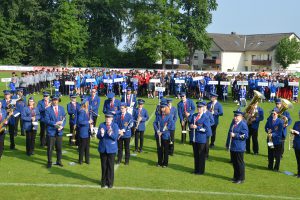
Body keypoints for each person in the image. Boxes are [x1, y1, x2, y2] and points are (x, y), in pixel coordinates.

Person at [97, 112, 119, 188]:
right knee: (103, 166)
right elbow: (98, 136)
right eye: (106, 118)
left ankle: (110, 183)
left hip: (111, 149)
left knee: (110, 167)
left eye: (109, 118)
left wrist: (110, 134)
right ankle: (103, 182)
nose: (108, 119)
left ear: (112, 118)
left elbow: (115, 137)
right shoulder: (101, 125)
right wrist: (102, 134)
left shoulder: (115, 126)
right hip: (103, 149)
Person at [227, 110, 248, 184]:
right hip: (233, 146)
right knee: (234, 163)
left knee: (239, 163)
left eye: (237, 116)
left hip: (239, 147)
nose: (235, 117)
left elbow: (245, 135)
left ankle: (241, 178)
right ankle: (235, 177)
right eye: (235, 116)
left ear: (241, 117)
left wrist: (236, 135)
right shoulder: (234, 123)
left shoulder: (243, 124)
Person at [189, 102, 211, 175]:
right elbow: (190, 124)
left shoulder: (205, 117)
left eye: (200, 108)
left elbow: (206, 129)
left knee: (201, 156)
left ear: (203, 108)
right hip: (194, 138)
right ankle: (196, 169)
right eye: (198, 107)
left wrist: (197, 127)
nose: (199, 109)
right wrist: (191, 126)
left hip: (201, 139)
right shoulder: (194, 115)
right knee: (196, 155)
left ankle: (201, 171)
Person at [45, 95, 66, 168]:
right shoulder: (48, 109)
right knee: (50, 148)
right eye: (54, 100)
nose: (55, 101)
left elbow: (64, 119)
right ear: (52, 101)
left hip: (59, 132)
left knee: (59, 148)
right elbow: (47, 120)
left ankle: (59, 160)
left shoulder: (62, 108)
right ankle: (49, 161)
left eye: (56, 100)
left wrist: (62, 125)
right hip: (51, 131)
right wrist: (55, 124)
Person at [153, 101, 174, 167]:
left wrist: (162, 132)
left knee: (166, 150)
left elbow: (170, 125)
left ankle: (165, 163)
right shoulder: (158, 115)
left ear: (166, 108)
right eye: (161, 107)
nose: (162, 109)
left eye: (163, 107)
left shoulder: (169, 116)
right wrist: (157, 131)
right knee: (159, 149)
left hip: (165, 135)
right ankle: (159, 162)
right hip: (158, 135)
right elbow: (154, 123)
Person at [77, 99, 93, 164]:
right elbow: (80, 121)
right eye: (87, 103)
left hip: (87, 131)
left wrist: (91, 123)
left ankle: (87, 160)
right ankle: (80, 160)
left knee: (87, 147)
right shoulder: (82, 111)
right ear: (84, 104)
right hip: (83, 132)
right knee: (82, 147)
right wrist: (88, 122)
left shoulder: (87, 111)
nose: (88, 104)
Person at [291, 113, 300, 178]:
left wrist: (298, 133)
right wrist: (292, 131)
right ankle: (298, 173)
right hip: (296, 144)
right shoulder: (296, 123)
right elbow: (293, 132)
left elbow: (297, 132)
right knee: (298, 160)